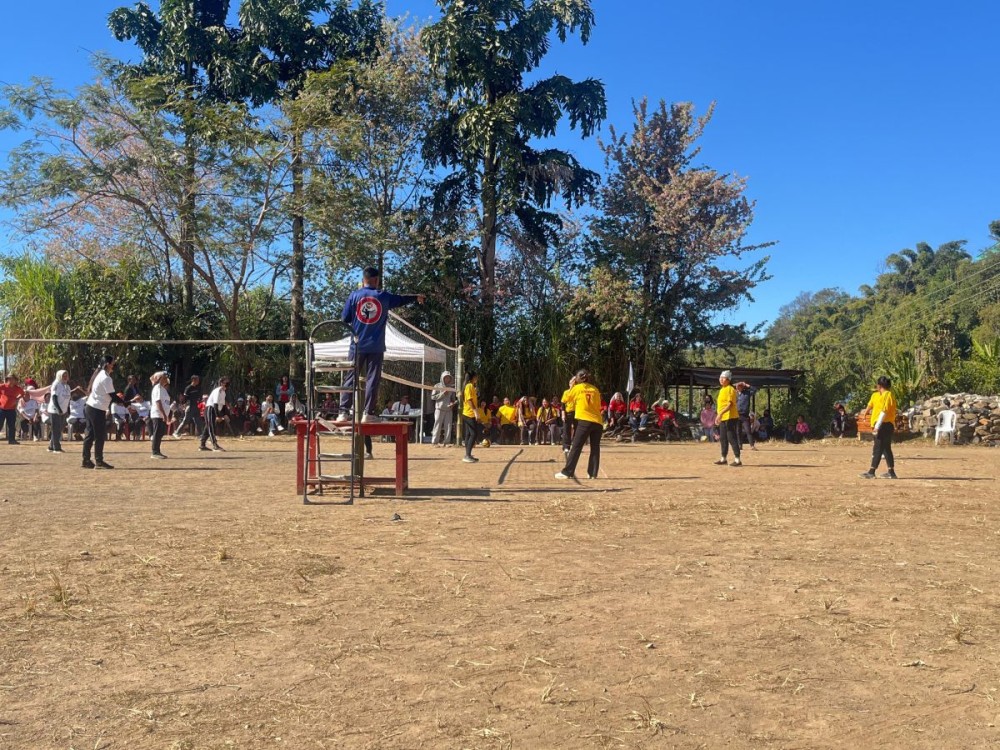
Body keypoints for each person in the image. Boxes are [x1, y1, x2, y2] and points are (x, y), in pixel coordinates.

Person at [337, 266, 425, 423]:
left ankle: (343, 412)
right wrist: (416, 297)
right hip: (376, 346)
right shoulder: (383, 296)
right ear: (376, 280)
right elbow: (401, 299)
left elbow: (344, 319)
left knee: (351, 377)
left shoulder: (354, 296)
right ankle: (368, 413)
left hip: (356, 345)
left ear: (363, 280)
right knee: (372, 379)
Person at [555, 369, 602, 480]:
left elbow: (565, 399)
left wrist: (571, 386)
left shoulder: (577, 388)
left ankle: (567, 472)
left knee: (576, 447)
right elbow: (598, 405)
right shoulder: (595, 389)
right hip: (598, 422)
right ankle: (592, 474)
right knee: (595, 448)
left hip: (585, 421)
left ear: (578, 378)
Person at [82, 355, 125, 469]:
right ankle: (99, 461)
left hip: (91, 407)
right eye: (113, 363)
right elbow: (112, 396)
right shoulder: (106, 378)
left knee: (90, 434)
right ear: (107, 364)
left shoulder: (100, 374)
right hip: (96, 409)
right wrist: (126, 402)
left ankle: (86, 460)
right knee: (99, 436)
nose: (114, 365)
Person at [859, 375, 898, 479]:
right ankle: (891, 472)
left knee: (878, 447)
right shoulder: (877, 395)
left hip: (884, 424)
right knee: (885, 448)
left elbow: (884, 411)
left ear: (879, 385)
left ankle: (871, 472)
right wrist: (865, 414)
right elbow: (871, 405)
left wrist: (877, 426)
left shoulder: (887, 395)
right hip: (884, 424)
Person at [714, 370, 742, 466]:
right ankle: (723, 458)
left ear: (728, 380)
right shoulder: (722, 390)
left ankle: (737, 459)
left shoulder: (731, 389)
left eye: (723, 378)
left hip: (730, 417)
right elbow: (721, 405)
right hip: (723, 417)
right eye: (720, 377)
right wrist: (718, 415)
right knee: (723, 438)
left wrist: (720, 414)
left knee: (731, 437)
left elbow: (730, 404)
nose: (721, 379)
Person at [199, 377, 229, 452]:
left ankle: (202, 445)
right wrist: (218, 416)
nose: (227, 384)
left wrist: (224, 414)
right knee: (211, 427)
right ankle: (215, 445)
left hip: (214, 410)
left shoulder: (223, 393)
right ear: (221, 383)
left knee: (208, 427)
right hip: (210, 409)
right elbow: (215, 404)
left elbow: (223, 405)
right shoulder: (218, 390)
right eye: (225, 383)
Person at [47, 370, 71, 453]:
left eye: (66, 375)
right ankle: (56, 448)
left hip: (63, 411)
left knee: (59, 429)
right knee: (56, 429)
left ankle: (51, 446)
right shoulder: (56, 384)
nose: (65, 377)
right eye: (63, 375)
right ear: (59, 376)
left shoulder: (67, 386)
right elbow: (54, 398)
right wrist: (59, 409)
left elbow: (67, 399)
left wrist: (66, 410)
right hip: (55, 410)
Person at [430, 371, 456, 447]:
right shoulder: (437, 386)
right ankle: (435, 442)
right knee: (437, 425)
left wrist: (452, 403)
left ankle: (447, 442)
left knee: (448, 426)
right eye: (446, 377)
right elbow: (433, 397)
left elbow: (453, 398)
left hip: (448, 409)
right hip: (439, 409)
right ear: (442, 378)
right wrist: (442, 394)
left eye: (448, 377)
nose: (447, 379)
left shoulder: (451, 387)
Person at [149, 371, 171, 459]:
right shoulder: (157, 388)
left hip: (162, 414)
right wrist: (164, 415)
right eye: (165, 377)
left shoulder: (163, 389)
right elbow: (158, 402)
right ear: (160, 378)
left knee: (160, 433)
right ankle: (154, 452)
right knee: (157, 433)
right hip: (158, 414)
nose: (166, 379)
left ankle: (157, 451)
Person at [461, 371, 482, 463]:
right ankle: (467, 455)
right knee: (474, 434)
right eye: (476, 376)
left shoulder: (471, 386)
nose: (477, 378)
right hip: (469, 414)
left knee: (469, 434)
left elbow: (471, 398)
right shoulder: (469, 386)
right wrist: (476, 412)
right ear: (472, 377)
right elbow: (469, 400)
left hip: (468, 413)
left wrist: (476, 392)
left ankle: (468, 454)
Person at [734, 381, 758, 450]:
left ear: (742, 387)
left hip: (744, 415)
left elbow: (755, 390)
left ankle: (752, 445)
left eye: (740, 386)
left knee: (748, 431)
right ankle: (739, 445)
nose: (739, 387)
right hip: (737, 415)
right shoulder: (734, 394)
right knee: (738, 431)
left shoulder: (747, 393)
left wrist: (747, 385)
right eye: (738, 386)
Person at [560, 376, 577, 454]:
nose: (573, 384)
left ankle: (575, 446)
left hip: (577, 412)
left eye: (574, 383)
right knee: (566, 430)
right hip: (568, 412)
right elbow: (563, 404)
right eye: (571, 383)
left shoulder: (578, 392)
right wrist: (563, 414)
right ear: (569, 384)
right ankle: (566, 447)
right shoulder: (566, 392)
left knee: (577, 430)